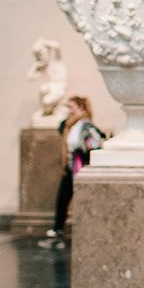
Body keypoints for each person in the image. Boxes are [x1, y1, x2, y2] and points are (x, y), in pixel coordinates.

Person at [37, 95, 103, 249]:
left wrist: (83, 149)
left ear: (81, 108)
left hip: (79, 168)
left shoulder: (86, 125)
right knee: (62, 200)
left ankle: (84, 234)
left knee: (78, 201)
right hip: (69, 168)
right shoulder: (70, 125)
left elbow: (96, 142)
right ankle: (57, 232)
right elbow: (62, 128)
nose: (69, 110)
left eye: (71, 107)